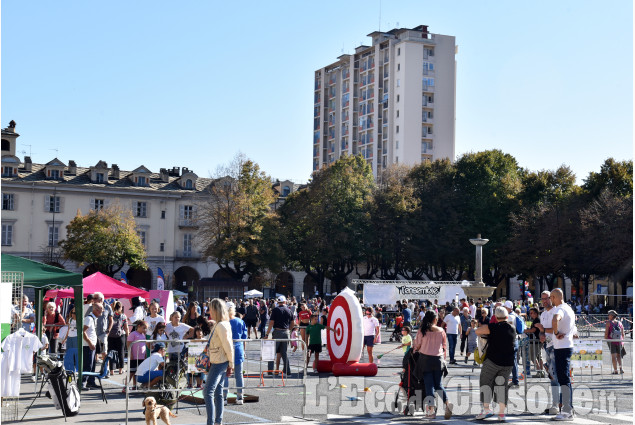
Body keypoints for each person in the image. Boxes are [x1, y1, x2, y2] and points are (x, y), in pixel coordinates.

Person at [474, 306, 516, 422]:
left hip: (493, 360)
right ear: (507, 316)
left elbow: (477, 331)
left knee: (486, 383)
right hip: (508, 362)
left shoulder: (493, 327)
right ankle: (501, 413)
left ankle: (486, 409)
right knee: (502, 386)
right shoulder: (512, 328)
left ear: (496, 317)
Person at [413, 310, 452, 419]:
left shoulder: (422, 330)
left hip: (426, 359)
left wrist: (415, 349)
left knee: (429, 386)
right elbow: (444, 345)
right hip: (438, 359)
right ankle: (447, 404)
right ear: (435, 319)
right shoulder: (441, 330)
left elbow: (418, 345)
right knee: (439, 385)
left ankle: (431, 410)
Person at [204, 299, 234, 425]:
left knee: (208, 392)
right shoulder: (220, 323)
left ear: (215, 310)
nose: (209, 311)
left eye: (211, 308)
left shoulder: (221, 325)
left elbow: (228, 345)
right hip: (219, 360)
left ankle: (212, 422)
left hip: (219, 361)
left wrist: (231, 364)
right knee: (218, 392)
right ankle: (217, 421)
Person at [549, 288, 576, 421]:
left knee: (564, 379)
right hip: (566, 345)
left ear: (554, 297)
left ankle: (567, 410)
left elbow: (555, 319)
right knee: (565, 378)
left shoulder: (560, 309)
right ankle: (568, 408)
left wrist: (555, 332)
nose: (550, 301)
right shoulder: (569, 308)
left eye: (551, 298)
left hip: (562, 347)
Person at [224, 303, 248, 405]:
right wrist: (244, 350)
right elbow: (244, 337)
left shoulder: (223, 323)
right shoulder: (240, 321)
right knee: (238, 374)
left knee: (225, 374)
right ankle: (240, 397)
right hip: (238, 348)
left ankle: (224, 397)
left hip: (226, 349)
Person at [266, 296, 294, 375]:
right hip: (286, 332)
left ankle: (270, 371)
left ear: (278, 302)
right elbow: (293, 323)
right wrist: (289, 330)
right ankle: (287, 371)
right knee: (284, 352)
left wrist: (267, 334)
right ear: (285, 302)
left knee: (272, 352)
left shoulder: (275, 310)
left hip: (277, 331)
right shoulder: (289, 310)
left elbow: (271, 323)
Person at [82, 302, 102, 390]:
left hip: (91, 344)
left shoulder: (93, 319)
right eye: (101, 310)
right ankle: (82, 382)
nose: (102, 312)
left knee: (92, 364)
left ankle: (91, 381)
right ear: (96, 310)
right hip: (88, 345)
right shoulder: (89, 319)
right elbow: (83, 332)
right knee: (88, 364)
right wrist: (90, 343)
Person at [107, 301, 129, 375]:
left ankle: (111, 370)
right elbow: (126, 327)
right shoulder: (123, 316)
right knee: (121, 352)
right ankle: (120, 370)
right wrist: (128, 336)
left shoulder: (110, 315)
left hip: (110, 336)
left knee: (111, 353)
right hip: (120, 335)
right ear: (120, 307)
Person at [126, 320, 148, 389]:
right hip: (134, 356)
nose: (145, 330)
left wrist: (145, 355)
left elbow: (144, 345)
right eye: (143, 328)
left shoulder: (143, 335)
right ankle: (125, 386)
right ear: (139, 326)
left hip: (141, 356)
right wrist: (131, 354)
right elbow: (129, 344)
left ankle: (134, 385)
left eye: (146, 328)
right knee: (131, 372)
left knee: (137, 372)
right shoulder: (133, 334)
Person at [524, 307, 543, 377]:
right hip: (537, 341)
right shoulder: (536, 319)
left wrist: (524, 331)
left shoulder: (537, 320)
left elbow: (533, 330)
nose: (530, 314)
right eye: (530, 313)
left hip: (535, 341)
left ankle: (539, 371)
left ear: (536, 313)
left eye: (531, 313)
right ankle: (541, 371)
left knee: (532, 356)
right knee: (538, 357)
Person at [605, 310, 624, 374]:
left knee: (613, 356)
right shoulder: (620, 323)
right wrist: (622, 341)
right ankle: (621, 368)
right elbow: (622, 333)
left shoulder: (608, 323)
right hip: (619, 341)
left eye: (609, 315)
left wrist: (606, 339)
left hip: (612, 341)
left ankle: (615, 370)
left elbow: (606, 333)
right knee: (619, 356)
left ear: (612, 316)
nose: (608, 316)